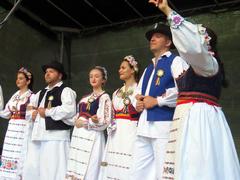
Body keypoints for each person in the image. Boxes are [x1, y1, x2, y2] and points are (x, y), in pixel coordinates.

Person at [148, 0, 240, 179]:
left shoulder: (207, 63)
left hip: (199, 120)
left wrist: (168, 11)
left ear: (205, 44)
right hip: (188, 117)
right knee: (185, 164)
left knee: (197, 164)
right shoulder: (198, 66)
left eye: (194, 36)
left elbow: (193, 48)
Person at [130, 17, 187, 179]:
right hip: (143, 127)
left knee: (165, 171)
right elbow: (137, 93)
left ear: (168, 42)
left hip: (164, 126)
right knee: (137, 172)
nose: (152, 39)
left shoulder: (176, 61)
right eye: (151, 37)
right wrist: (138, 103)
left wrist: (157, 101)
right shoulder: (149, 67)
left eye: (158, 36)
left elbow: (183, 91)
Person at [22, 61, 76, 180]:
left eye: (51, 71)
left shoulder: (66, 91)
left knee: (55, 170)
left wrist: (47, 112)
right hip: (38, 136)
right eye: (46, 72)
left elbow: (69, 110)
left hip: (56, 137)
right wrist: (33, 113)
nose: (47, 74)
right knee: (35, 169)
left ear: (60, 75)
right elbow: (28, 109)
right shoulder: (41, 93)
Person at [65, 66, 112, 180]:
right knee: (75, 167)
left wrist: (87, 123)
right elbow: (77, 116)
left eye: (97, 76)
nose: (93, 79)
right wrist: (76, 121)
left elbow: (105, 121)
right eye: (91, 76)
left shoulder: (104, 97)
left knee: (90, 168)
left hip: (93, 138)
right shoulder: (84, 98)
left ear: (103, 80)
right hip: (78, 138)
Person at [98, 55, 140, 180]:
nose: (119, 70)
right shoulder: (116, 92)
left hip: (132, 131)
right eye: (119, 68)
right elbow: (112, 116)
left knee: (128, 161)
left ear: (132, 70)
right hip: (116, 133)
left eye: (123, 68)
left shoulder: (140, 88)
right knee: (114, 162)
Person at [0, 67, 33, 180]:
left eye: (21, 78)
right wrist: (10, 110)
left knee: (19, 153)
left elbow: (32, 114)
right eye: (17, 78)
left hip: (22, 128)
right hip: (12, 127)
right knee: (9, 153)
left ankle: (18, 176)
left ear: (28, 81)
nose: (17, 81)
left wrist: (21, 111)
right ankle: (6, 176)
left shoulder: (31, 96)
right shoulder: (15, 96)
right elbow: (6, 113)